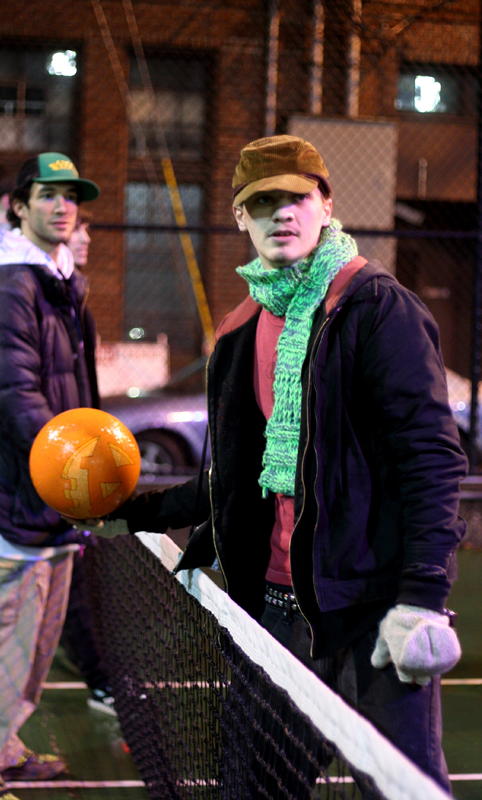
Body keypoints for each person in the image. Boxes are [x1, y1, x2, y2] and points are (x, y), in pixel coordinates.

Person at [82, 135, 466, 794]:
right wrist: (132, 508)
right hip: (276, 615)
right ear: (240, 218)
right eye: (263, 203)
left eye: (296, 197)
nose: (281, 214)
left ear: (326, 205)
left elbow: (430, 461)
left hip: (371, 614)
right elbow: (236, 479)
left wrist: (421, 602)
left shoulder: (374, 307)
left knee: (402, 787)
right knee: (252, 788)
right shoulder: (239, 331)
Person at [0, 152, 100, 800]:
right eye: (47, 195)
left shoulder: (59, 283)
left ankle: (3, 748)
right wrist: (76, 464)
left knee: (32, 651)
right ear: (17, 206)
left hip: (50, 505)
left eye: (71, 196)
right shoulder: (9, 285)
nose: (62, 206)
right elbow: (11, 391)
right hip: (14, 502)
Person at [58, 210, 117, 716]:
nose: (85, 238)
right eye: (78, 228)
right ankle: (101, 680)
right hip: (47, 472)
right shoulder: (36, 300)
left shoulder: (78, 305)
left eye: (86, 227)